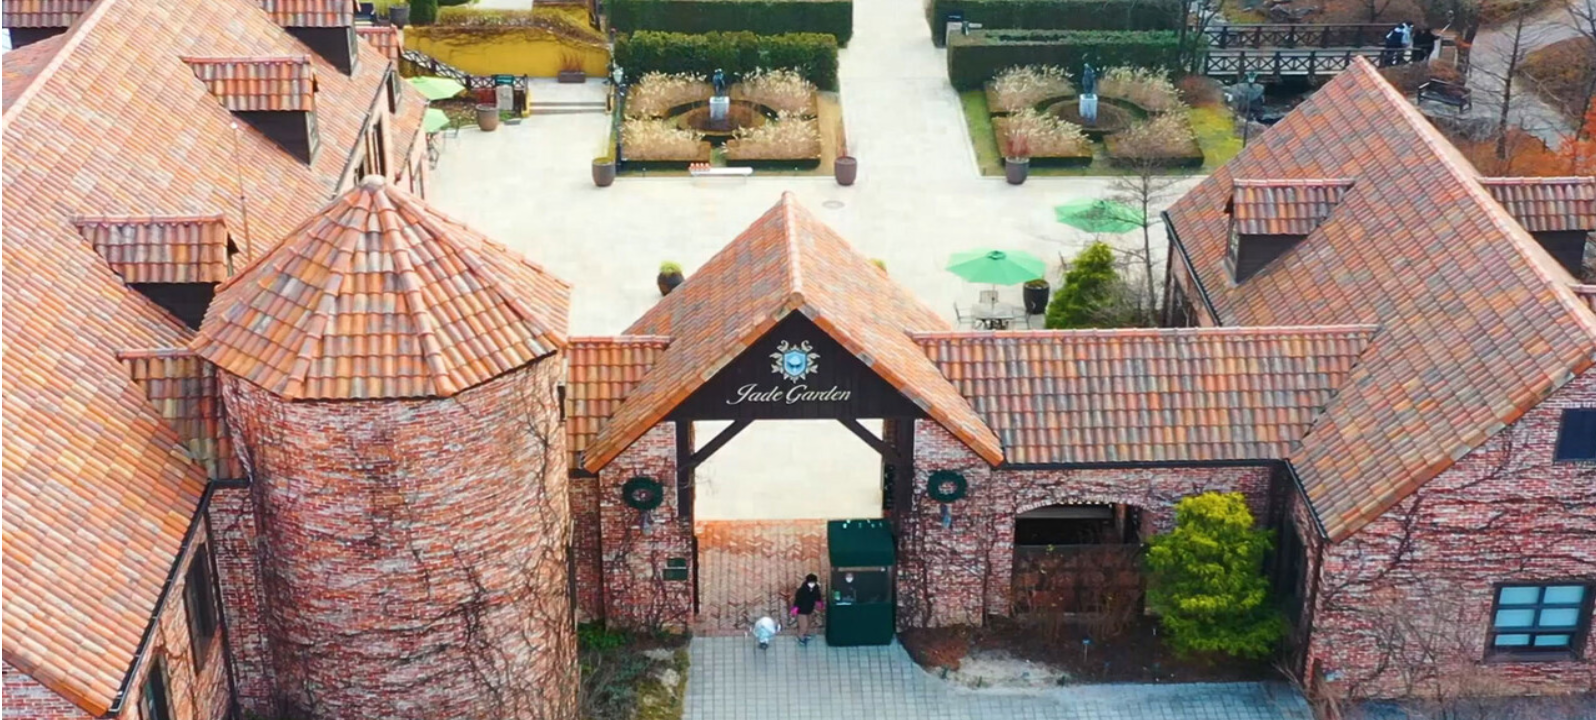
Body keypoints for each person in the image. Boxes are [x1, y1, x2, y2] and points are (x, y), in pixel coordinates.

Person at [790, 573, 824, 645]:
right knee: (804, 626)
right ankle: (800, 637)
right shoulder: (801, 590)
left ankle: (805, 634)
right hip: (801, 611)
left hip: (809, 609)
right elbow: (797, 601)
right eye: (810, 582)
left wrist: (820, 605)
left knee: (808, 623)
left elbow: (818, 598)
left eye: (813, 582)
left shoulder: (816, 589)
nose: (812, 584)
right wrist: (794, 610)